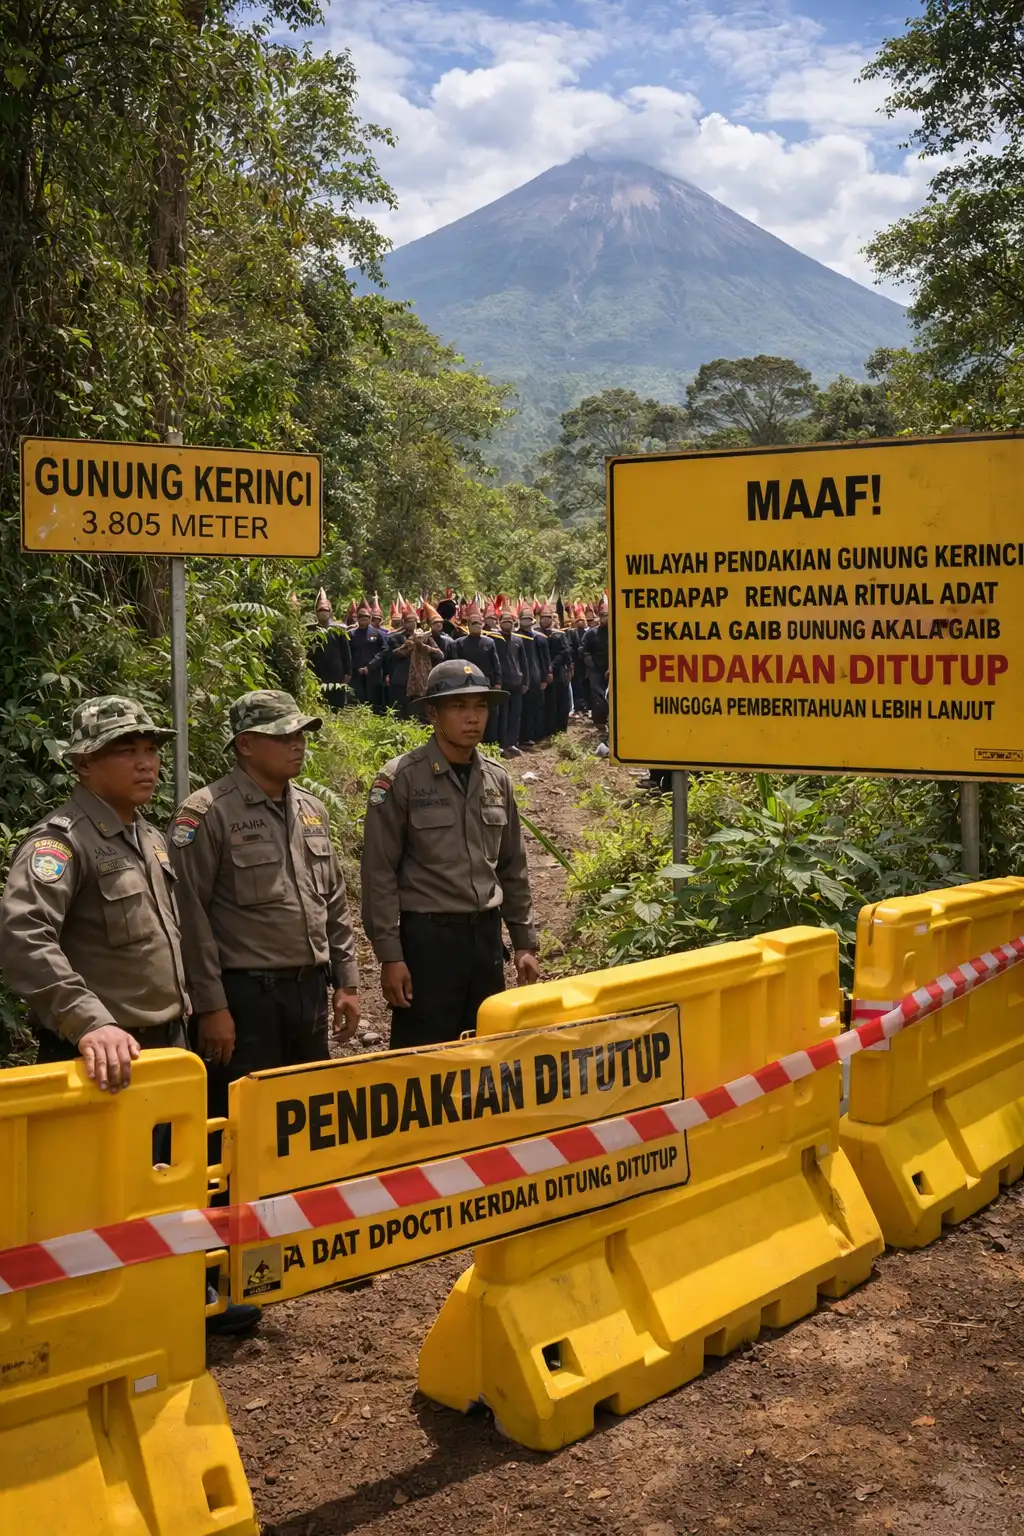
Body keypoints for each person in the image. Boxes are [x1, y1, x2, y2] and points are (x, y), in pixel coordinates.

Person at [168, 690, 361, 1121]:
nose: (297, 743)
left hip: (309, 990)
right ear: (246, 744)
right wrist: (212, 1007)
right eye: (283, 735)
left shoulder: (311, 810)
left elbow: (333, 901)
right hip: (246, 999)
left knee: (310, 1117)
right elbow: (189, 919)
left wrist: (346, 982)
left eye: (302, 733)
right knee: (242, 1125)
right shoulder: (206, 813)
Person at [0, 696, 187, 1093]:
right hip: (99, 1060)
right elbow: (24, 937)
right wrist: (89, 1022)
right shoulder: (60, 843)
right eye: (126, 750)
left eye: (151, 750)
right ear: (84, 763)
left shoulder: (150, 838)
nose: (146, 763)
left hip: (167, 1049)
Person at [361, 661, 540, 1047]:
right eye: (458, 706)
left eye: (480, 706)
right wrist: (390, 956)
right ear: (432, 712)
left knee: (485, 1050)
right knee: (423, 1059)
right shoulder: (401, 778)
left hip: (486, 939)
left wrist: (524, 942)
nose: (472, 718)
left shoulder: (497, 779)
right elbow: (378, 873)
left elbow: (512, 866)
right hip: (429, 942)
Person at [455, 606, 502, 743]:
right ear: (468, 626)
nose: (477, 626)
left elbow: (496, 664)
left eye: (478, 623)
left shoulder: (489, 642)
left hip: (485, 684)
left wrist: (497, 682)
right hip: (466, 684)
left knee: (487, 714)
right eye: (473, 623)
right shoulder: (459, 644)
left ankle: (490, 743)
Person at [307, 589, 352, 711]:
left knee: (336, 702)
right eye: (320, 610)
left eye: (326, 610)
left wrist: (347, 673)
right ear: (316, 612)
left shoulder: (339, 631)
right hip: (316, 671)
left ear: (330, 612)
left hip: (336, 672)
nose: (323, 613)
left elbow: (346, 654)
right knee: (318, 702)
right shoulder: (309, 630)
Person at [517, 605, 551, 752]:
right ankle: (522, 736)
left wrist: (545, 676)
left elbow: (545, 659)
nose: (527, 621)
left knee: (537, 706)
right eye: (524, 618)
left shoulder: (539, 638)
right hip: (521, 677)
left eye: (529, 618)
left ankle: (535, 735)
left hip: (536, 676)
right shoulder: (515, 637)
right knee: (522, 708)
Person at [495, 611, 527, 758]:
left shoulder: (518, 640)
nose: (507, 622)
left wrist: (525, 681)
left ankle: (513, 743)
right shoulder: (494, 639)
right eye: (505, 620)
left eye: (510, 620)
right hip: (502, 683)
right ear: (499, 622)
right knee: (503, 715)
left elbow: (523, 662)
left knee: (516, 713)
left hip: (517, 682)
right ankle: (502, 744)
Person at [348, 600, 388, 712]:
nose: (363, 620)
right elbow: (348, 653)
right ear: (357, 619)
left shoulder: (376, 633)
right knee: (357, 699)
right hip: (356, 672)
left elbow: (384, 651)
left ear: (369, 619)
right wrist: (357, 667)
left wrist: (370, 666)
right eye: (361, 618)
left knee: (373, 699)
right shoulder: (351, 634)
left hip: (373, 672)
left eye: (365, 618)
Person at [538, 605, 572, 738]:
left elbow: (565, 652)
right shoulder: (536, 634)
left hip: (557, 673)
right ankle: (546, 729)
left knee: (560, 701)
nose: (546, 620)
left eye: (548, 617)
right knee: (546, 703)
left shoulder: (559, 634)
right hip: (541, 672)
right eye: (543, 617)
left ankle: (560, 728)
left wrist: (553, 666)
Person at [583, 599, 611, 740]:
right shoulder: (591, 634)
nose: (605, 618)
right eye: (603, 615)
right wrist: (591, 665)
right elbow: (584, 650)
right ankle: (599, 722)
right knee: (599, 698)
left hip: (612, 670)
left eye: (607, 615)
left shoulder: (616, 631)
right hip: (597, 670)